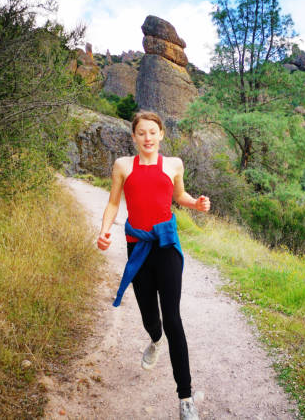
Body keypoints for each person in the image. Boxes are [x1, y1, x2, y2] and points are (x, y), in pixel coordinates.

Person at [97, 110, 210, 420]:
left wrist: (196, 204)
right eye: (141, 133)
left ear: (161, 135)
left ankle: (185, 398)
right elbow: (112, 202)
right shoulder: (123, 166)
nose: (147, 137)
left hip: (166, 245)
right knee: (151, 317)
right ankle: (155, 340)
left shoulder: (173, 165)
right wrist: (104, 230)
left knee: (173, 318)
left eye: (152, 132)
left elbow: (180, 196)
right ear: (134, 137)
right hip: (139, 249)